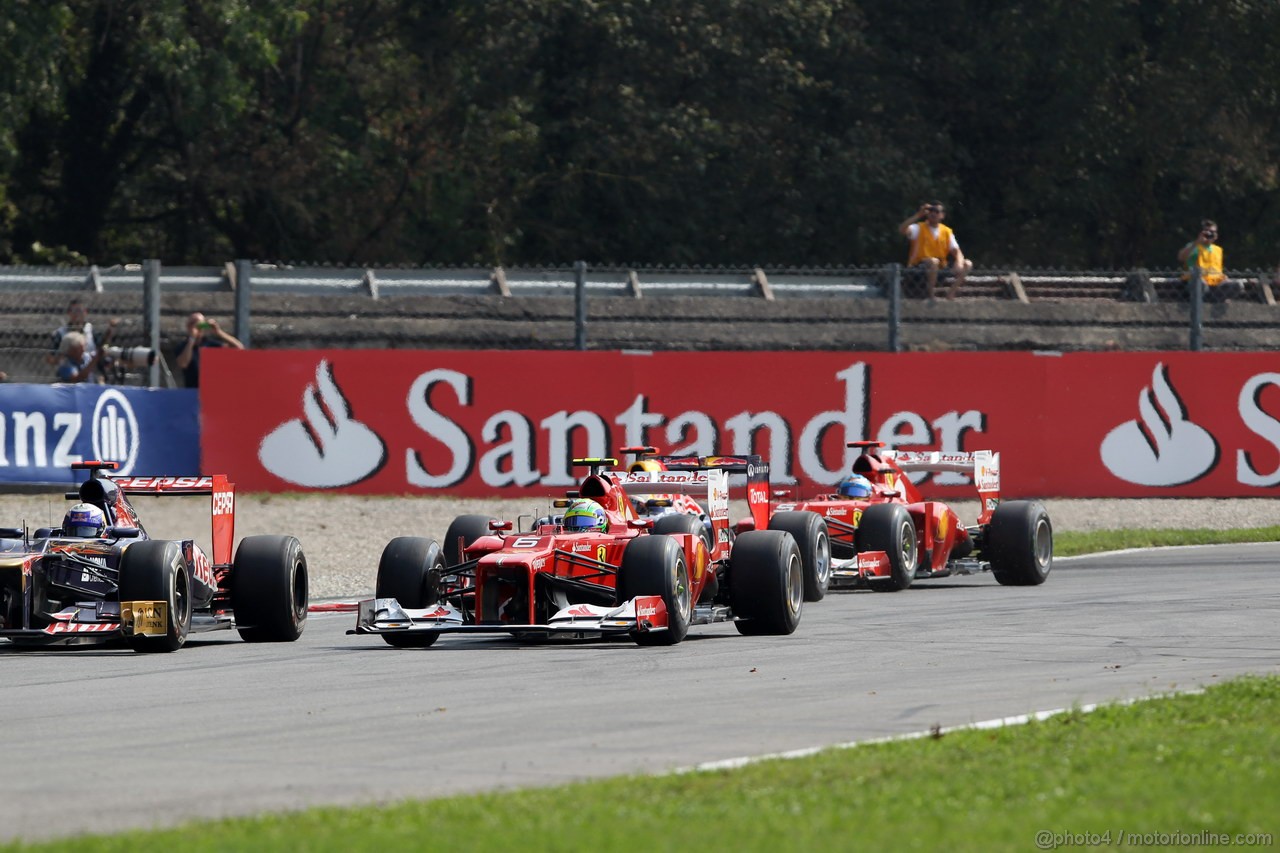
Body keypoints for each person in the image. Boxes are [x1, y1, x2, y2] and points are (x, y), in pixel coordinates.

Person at [899, 201, 973, 301]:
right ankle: (931, 295)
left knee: (967, 264)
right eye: (931, 211)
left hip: (940, 268)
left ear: (942, 215)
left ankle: (950, 294)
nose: (933, 213)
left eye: (937, 211)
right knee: (933, 262)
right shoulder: (919, 228)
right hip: (918, 268)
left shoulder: (946, 231)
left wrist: (959, 262)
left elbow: (957, 251)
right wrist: (918, 215)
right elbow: (902, 229)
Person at [1177, 220, 1242, 302]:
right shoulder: (1194, 246)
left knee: (1237, 285)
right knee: (1200, 284)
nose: (1210, 234)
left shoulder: (1217, 250)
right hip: (1198, 283)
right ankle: (1200, 301)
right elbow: (1181, 257)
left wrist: (1223, 277)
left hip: (1215, 285)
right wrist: (1198, 241)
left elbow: (1217, 269)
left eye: (1213, 232)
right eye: (1207, 231)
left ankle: (1215, 299)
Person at [176, 311, 245, 388]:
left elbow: (239, 348)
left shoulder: (210, 344)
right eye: (193, 323)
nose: (197, 328)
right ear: (188, 327)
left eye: (200, 324)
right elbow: (183, 364)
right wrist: (192, 338)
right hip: (192, 389)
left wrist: (219, 332)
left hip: (211, 389)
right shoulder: (183, 346)